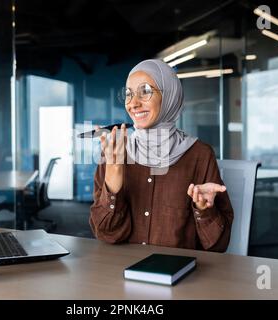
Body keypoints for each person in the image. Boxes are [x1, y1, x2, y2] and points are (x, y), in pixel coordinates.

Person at [89, 59, 233, 252]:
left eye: (145, 91)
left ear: (170, 97)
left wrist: (203, 209)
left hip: (179, 275)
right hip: (121, 272)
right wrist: (113, 177)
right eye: (128, 94)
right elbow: (105, 234)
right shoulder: (114, 153)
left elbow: (219, 245)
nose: (133, 103)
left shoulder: (200, 155)